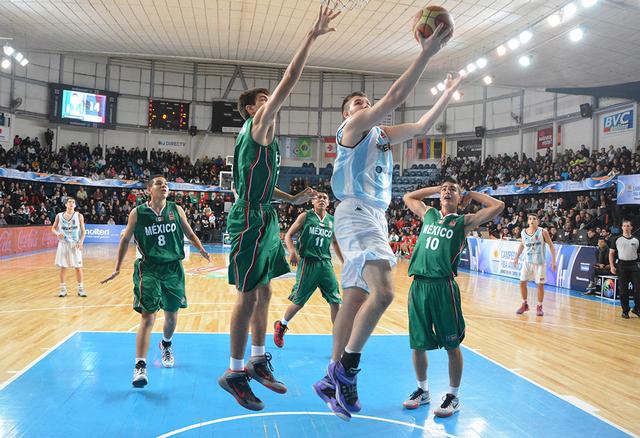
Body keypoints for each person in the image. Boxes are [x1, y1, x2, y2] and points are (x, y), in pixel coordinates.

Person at [314, 28, 461, 420]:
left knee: (354, 299)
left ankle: (331, 378)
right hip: (357, 212)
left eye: (366, 101)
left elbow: (421, 126)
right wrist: (427, 52)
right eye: (357, 103)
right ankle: (346, 370)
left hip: (372, 216)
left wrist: (447, 94)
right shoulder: (352, 130)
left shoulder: (380, 135)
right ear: (348, 114)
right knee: (384, 293)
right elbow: (394, 97)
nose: (364, 104)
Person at [218, 6, 340, 412]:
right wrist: (312, 36)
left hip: (266, 213)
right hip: (249, 218)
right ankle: (234, 372)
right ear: (253, 109)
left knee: (266, 289)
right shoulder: (257, 127)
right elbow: (289, 80)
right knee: (247, 295)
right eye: (263, 99)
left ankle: (256, 360)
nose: (270, 101)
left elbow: (262, 186)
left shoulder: (262, 137)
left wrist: (292, 199)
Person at [400, 178, 504, 417]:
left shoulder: (463, 221)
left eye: (452, 190)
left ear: (459, 198)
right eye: (444, 189)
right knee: (418, 343)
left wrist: (472, 193)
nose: (447, 192)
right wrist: (436, 189)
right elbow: (408, 197)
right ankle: (422, 390)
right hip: (418, 285)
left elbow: (498, 206)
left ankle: (453, 396)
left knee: (452, 344)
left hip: (443, 287)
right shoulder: (428, 214)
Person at [101, 175, 210, 387]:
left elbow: (189, 232)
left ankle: (166, 345)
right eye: (159, 183)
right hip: (149, 268)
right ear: (149, 189)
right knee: (148, 317)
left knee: (171, 317)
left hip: (173, 269)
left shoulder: (176, 209)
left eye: (166, 184)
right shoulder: (138, 213)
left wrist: (201, 249)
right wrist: (117, 268)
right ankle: (140, 366)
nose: (164, 186)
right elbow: (125, 239)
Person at [273, 191, 344, 348]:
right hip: (308, 263)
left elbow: (335, 243)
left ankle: (339, 340)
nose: (321, 200)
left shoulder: (332, 220)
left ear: (328, 203)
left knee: (335, 301)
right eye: (318, 197)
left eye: (325, 198)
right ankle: (282, 325)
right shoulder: (305, 216)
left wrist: (344, 262)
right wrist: (292, 251)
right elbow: (288, 235)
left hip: (325, 264)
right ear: (312, 201)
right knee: (298, 302)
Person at [514, 214, 557, 316]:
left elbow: (551, 245)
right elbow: (522, 244)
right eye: (530, 219)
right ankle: (524, 304)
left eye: (534, 219)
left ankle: (539, 306)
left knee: (540, 285)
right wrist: (517, 256)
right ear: (528, 221)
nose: (532, 220)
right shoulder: (523, 232)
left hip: (540, 262)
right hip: (527, 261)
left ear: (538, 221)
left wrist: (553, 261)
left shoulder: (543, 232)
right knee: (522, 282)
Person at [51, 197, 87, 297]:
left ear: (75, 205)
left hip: (75, 244)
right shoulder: (59, 216)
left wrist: (81, 242)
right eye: (69, 202)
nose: (71, 204)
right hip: (63, 244)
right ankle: (63, 290)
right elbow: (53, 228)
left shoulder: (79, 216)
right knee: (63, 267)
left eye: (73, 202)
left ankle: (80, 289)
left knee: (78, 267)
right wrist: (57, 234)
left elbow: (83, 231)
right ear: (66, 204)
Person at [609, 219, 640, 319]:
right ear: (622, 227)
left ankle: (637, 308)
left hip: (634, 265)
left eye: (628, 226)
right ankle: (625, 311)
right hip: (622, 265)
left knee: (638, 288)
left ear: (631, 227)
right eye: (624, 226)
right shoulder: (616, 239)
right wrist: (612, 266)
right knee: (623, 290)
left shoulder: (636, 240)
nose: (626, 228)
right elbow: (611, 253)